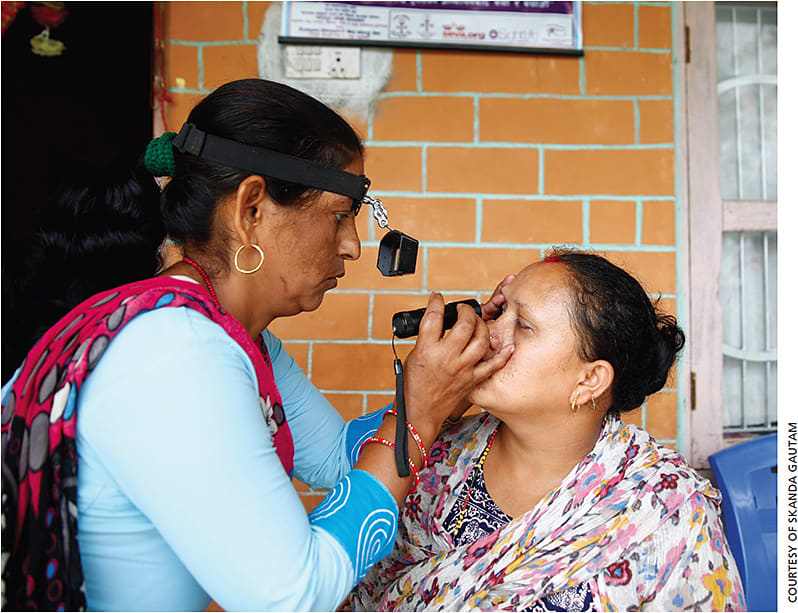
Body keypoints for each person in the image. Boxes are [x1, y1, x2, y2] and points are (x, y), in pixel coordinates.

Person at [0, 78, 514, 611]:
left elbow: (341, 461)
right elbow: (292, 595)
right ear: (251, 208)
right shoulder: (176, 352)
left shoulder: (235, 336)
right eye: (341, 215)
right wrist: (420, 415)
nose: (354, 245)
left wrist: (436, 386)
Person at [346, 250, 746, 611]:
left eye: (524, 325)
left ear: (590, 380)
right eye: (500, 312)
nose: (488, 333)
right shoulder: (438, 453)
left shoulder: (668, 509)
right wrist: (421, 414)